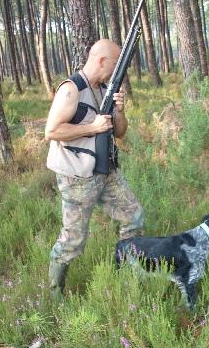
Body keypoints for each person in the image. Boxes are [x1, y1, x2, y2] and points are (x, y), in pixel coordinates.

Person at [44, 39, 145, 302]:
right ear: (101, 61)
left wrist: (119, 111)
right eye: (114, 65)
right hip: (78, 177)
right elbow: (52, 131)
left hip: (107, 171)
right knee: (73, 240)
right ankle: (54, 296)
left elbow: (120, 133)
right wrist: (93, 127)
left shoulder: (106, 90)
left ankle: (127, 277)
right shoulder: (72, 89)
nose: (116, 72)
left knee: (134, 217)